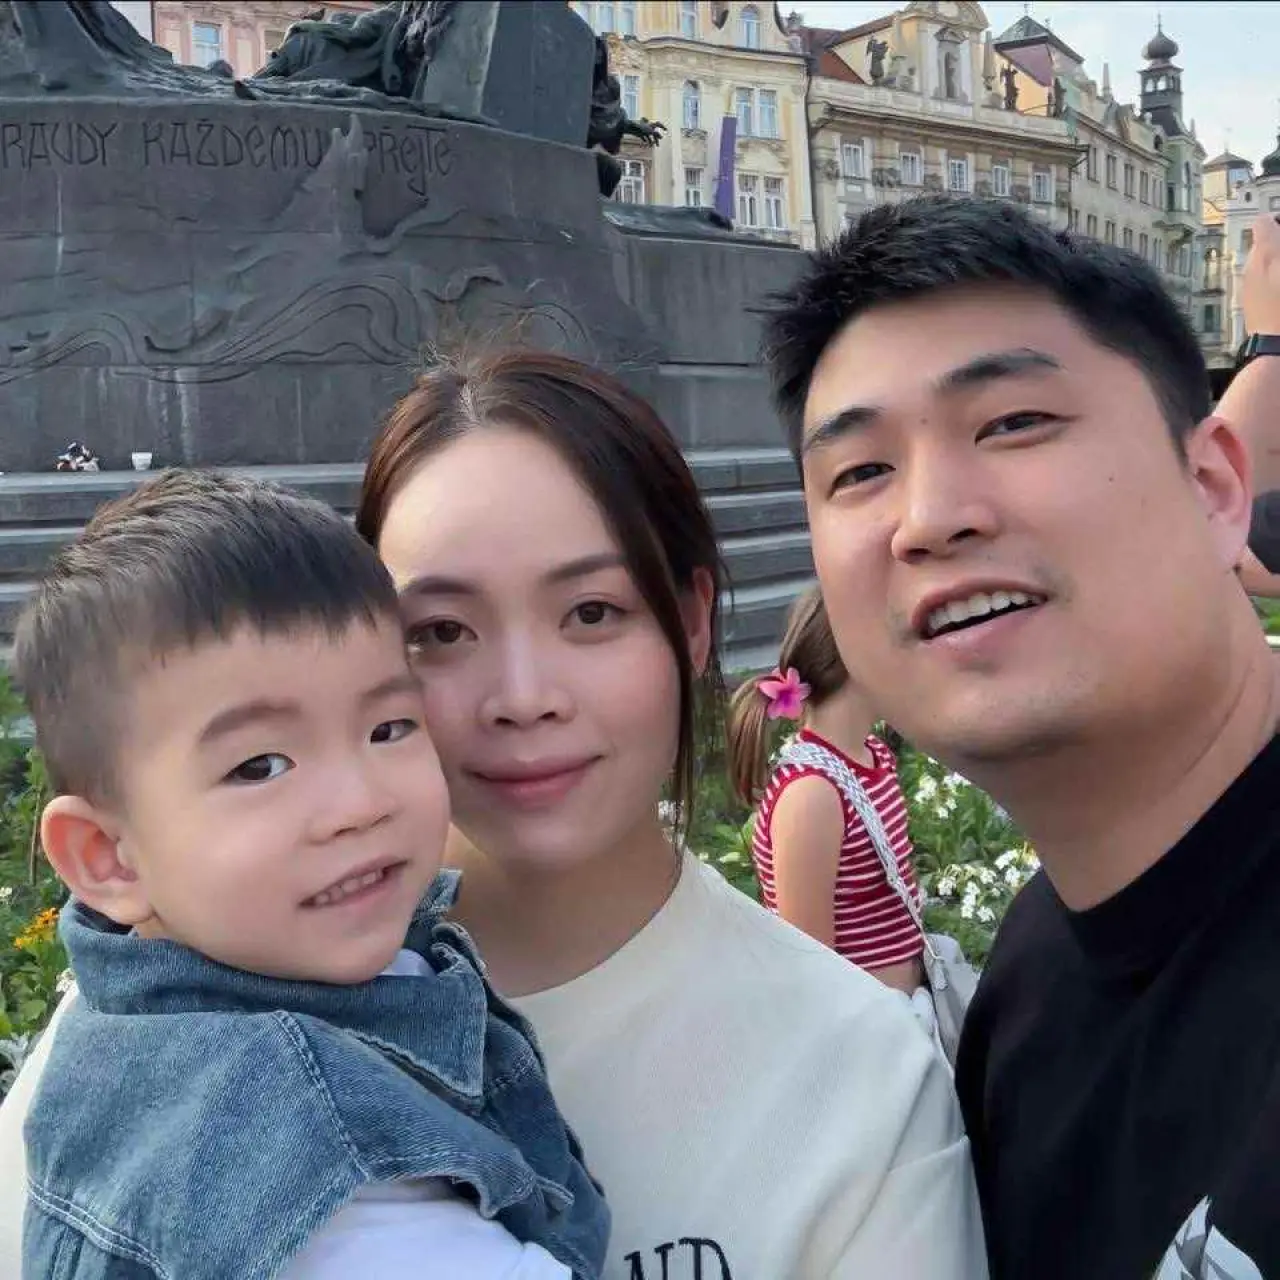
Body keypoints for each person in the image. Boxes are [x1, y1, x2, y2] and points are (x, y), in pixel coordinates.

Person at [0, 355, 988, 1279]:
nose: (523, 697)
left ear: (690, 622)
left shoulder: (855, 1076)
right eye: (439, 630)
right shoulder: (150, 1046)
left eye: (591, 612)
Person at [762, 195, 1280, 1278]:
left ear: (1212, 487)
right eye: (859, 473)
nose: (928, 518)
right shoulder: (1022, 999)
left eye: (1010, 423)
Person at [11, 471, 608, 1280]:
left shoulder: (137, 1028)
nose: (360, 803)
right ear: (107, 857)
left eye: (389, 727)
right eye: (260, 766)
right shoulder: (290, 1142)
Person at [726, 586, 929, 1002]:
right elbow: (811, 966)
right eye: (901, 644)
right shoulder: (811, 794)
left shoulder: (872, 755)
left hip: (906, 1013)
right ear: (857, 658)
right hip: (865, 1024)